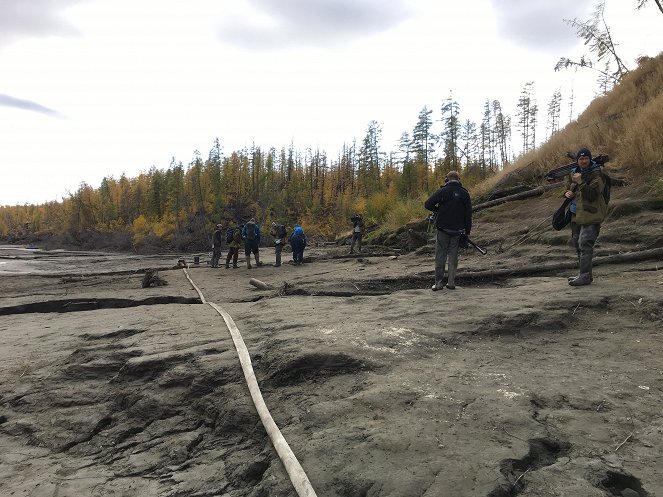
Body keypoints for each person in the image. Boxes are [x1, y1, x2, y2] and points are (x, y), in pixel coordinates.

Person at [564, 147, 608, 286]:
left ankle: (584, 275)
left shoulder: (597, 175)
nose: (583, 161)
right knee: (577, 244)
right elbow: (569, 189)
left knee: (585, 244)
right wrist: (567, 193)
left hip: (591, 214)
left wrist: (581, 182)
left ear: (590, 159)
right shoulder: (575, 173)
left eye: (586, 158)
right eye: (581, 159)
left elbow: (592, 195)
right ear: (577, 160)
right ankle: (584, 275)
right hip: (575, 213)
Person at [424, 171, 472, 290]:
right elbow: (468, 215)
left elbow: (428, 204)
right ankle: (451, 283)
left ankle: (439, 283)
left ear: (447, 179)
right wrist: (467, 231)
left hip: (442, 229)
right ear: (458, 179)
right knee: (453, 256)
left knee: (440, 255)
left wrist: (438, 209)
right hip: (458, 230)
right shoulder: (464, 193)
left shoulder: (442, 191)